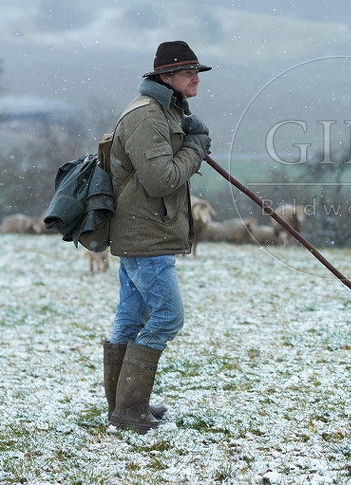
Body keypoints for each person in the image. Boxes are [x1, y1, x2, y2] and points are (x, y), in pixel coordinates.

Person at [102, 40, 212, 434]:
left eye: (197, 71)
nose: (195, 78)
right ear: (165, 77)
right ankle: (129, 410)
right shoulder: (147, 116)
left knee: (131, 316)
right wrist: (196, 148)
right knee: (167, 317)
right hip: (147, 233)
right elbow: (161, 178)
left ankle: (125, 406)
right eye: (187, 72)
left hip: (144, 230)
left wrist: (186, 133)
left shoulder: (163, 111)